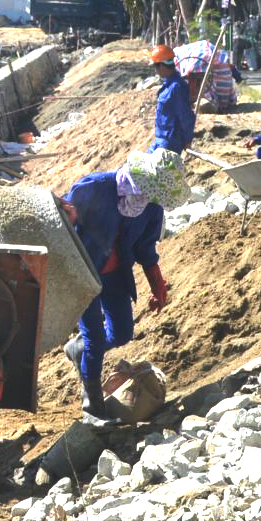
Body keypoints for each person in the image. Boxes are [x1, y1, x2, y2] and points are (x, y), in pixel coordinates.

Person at [59, 153, 168, 423]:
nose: (142, 200)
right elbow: (61, 221)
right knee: (95, 336)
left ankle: (79, 349)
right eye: (141, 192)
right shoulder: (94, 187)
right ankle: (92, 406)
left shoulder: (152, 207)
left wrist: (158, 286)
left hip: (116, 276)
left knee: (121, 334)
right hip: (84, 272)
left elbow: (145, 248)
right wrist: (68, 215)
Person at [149, 45, 194, 153]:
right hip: (159, 140)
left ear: (162, 66)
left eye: (155, 67)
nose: (156, 71)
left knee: (140, 170)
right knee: (130, 168)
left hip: (169, 144)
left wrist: (188, 140)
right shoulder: (168, 85)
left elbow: (186, 115)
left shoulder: (177, 87)